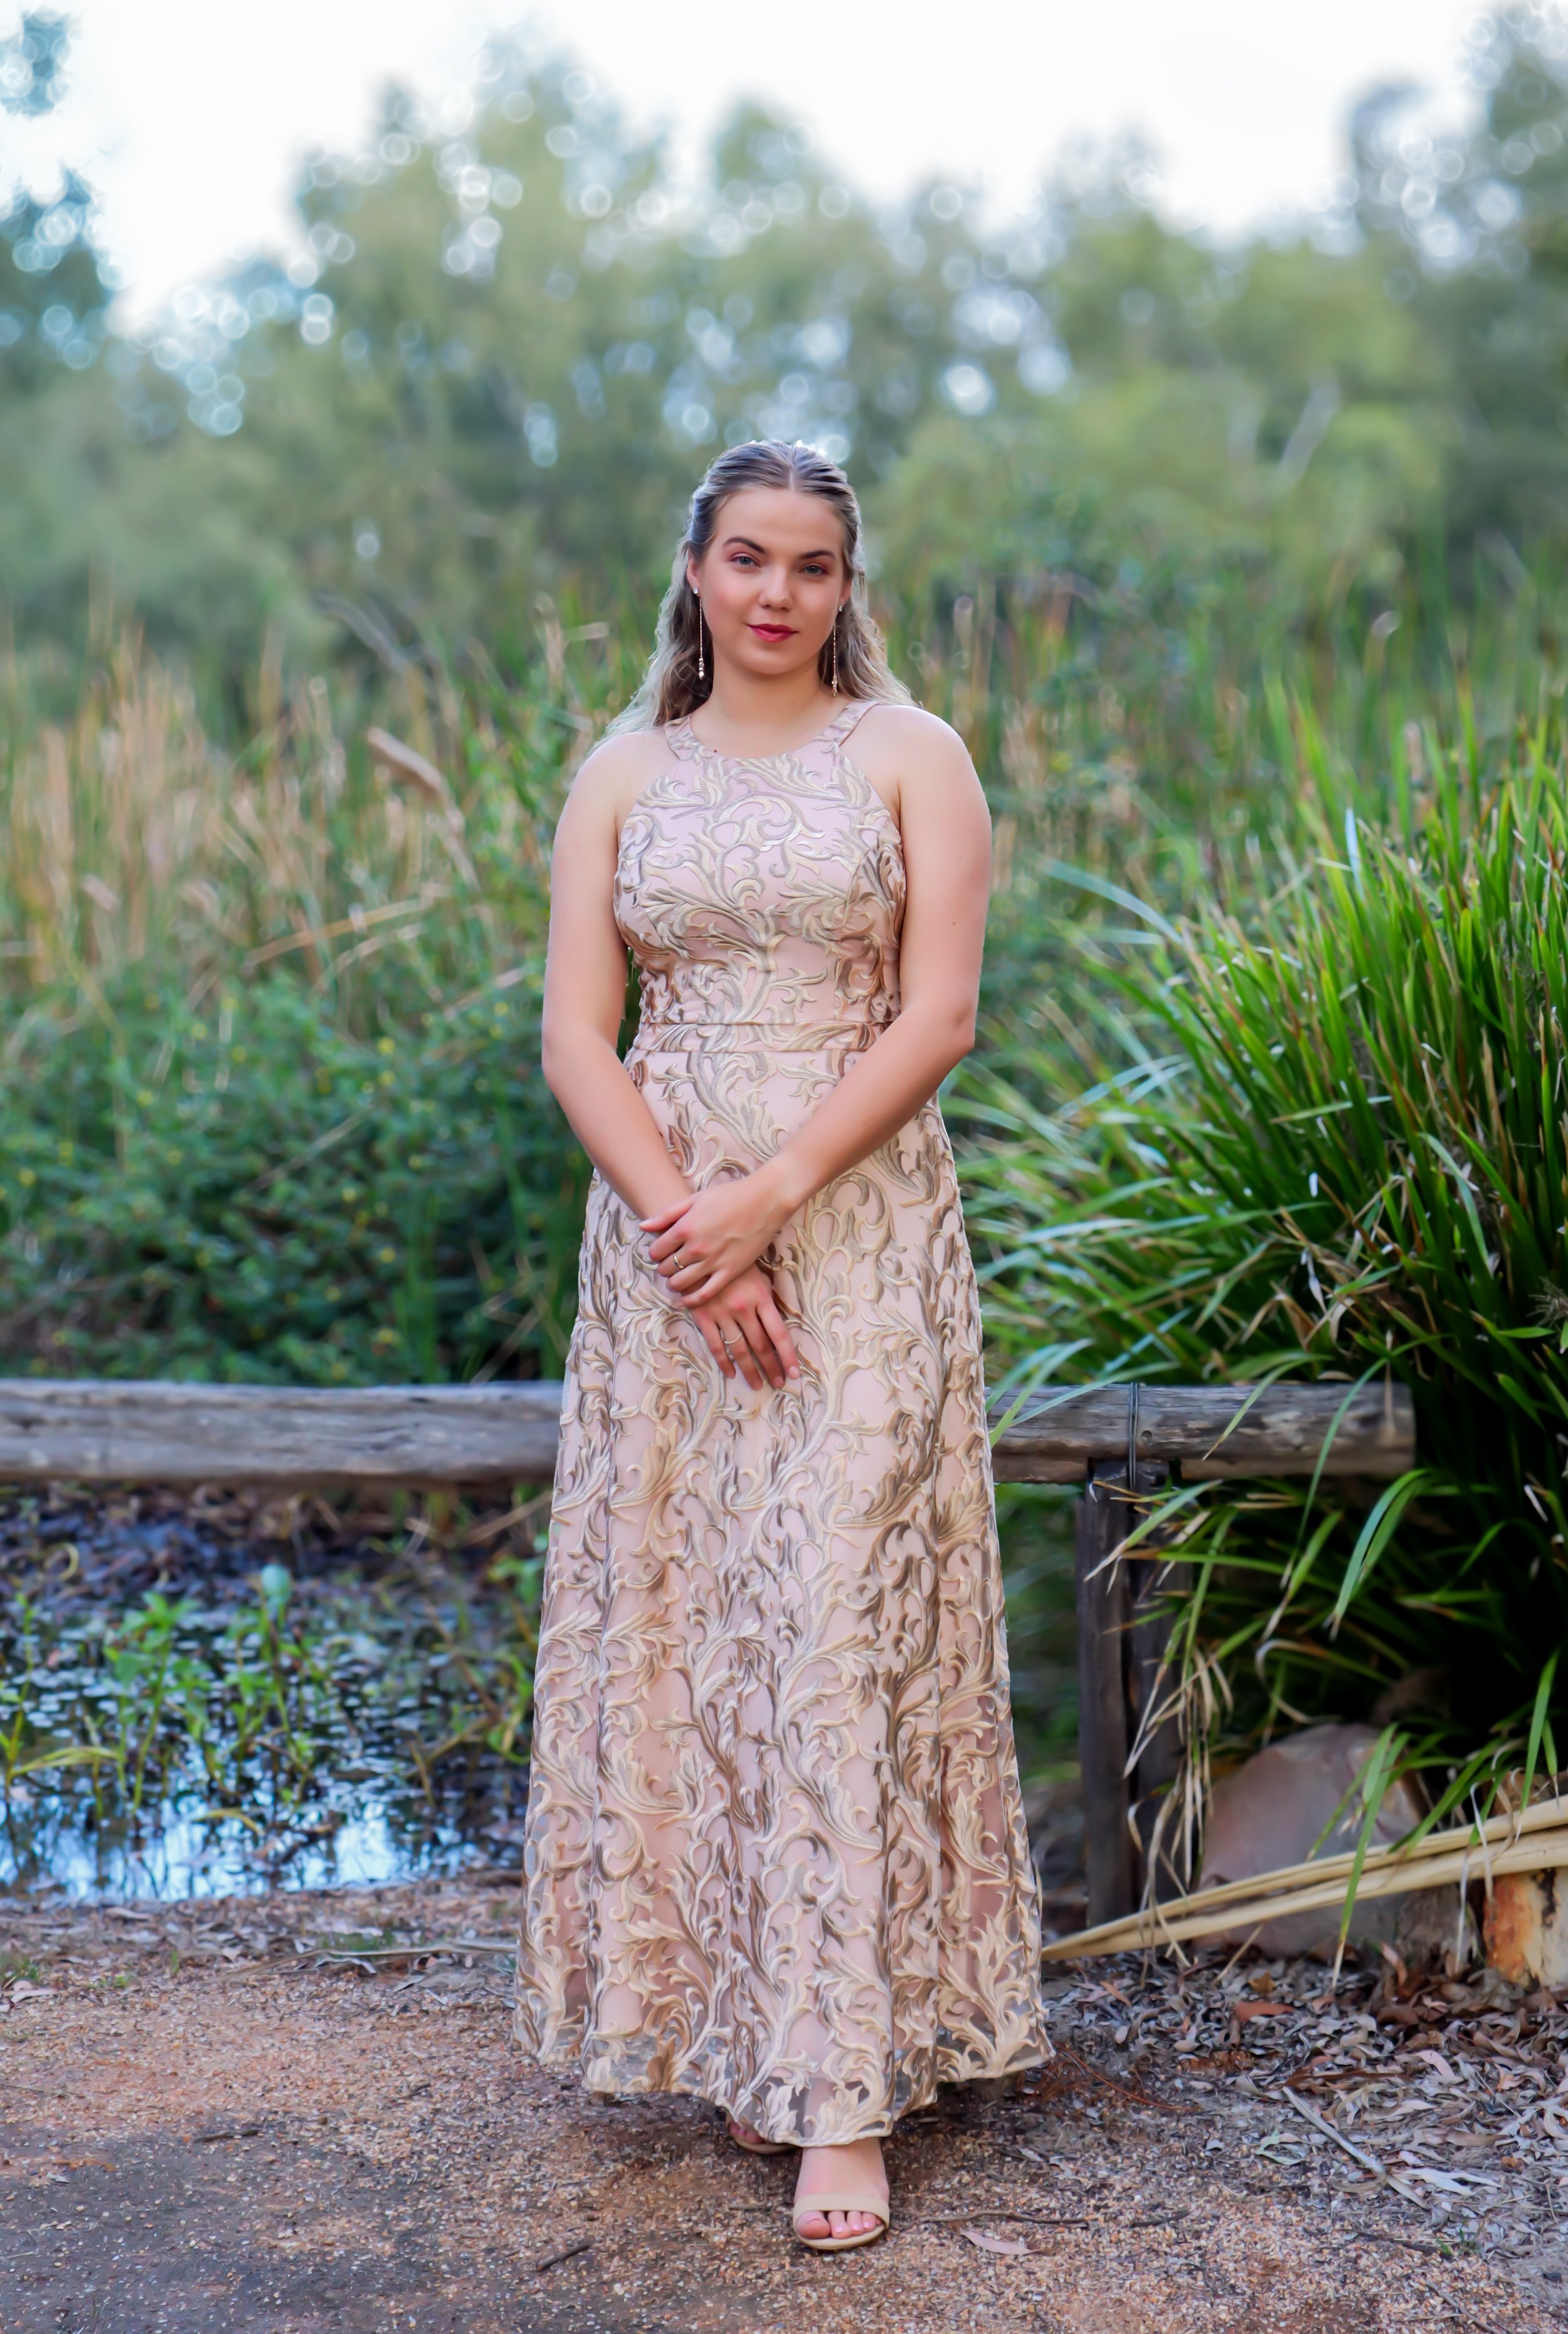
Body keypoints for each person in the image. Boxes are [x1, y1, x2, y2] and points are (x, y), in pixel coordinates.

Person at [514, 439, 1047, 2252]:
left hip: (860, 1227)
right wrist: (688, 1230)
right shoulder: (622, 772)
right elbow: (580, 1036)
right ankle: (734, 2028)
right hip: (661, 1244)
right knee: (693, 1622)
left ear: (845, 586)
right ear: (693, 571)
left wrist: (778, 1198)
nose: (774, 594)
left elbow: (942, 1010)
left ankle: (842, 2095)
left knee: (826, 1624)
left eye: (810, 567)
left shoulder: (911, 755)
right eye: (746, 558)